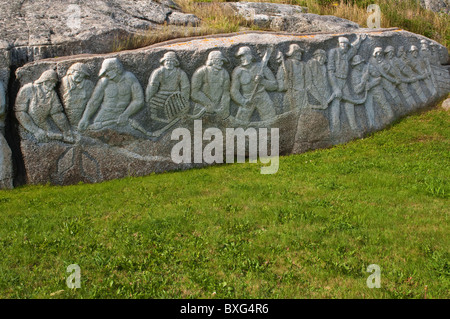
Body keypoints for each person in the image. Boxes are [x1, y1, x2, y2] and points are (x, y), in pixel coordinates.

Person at [78, 58, 144, 131]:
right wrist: (85, 118)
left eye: (107, 71)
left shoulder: (129, 78)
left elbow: (139, 100)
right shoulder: (104, 81)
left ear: (116, 69)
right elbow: (94, 101)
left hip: (123, 113)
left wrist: (126, 114)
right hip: (104, 117)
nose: (105, 74)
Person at [15, 69, 74, 143]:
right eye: (52, 82)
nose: (54, 85)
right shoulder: (28, 89)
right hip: (31, 126)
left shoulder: (52, 94)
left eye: (55, 83)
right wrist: (35, 130)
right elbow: (20, 112)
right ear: (44, 80)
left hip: (46, 127)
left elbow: (57, 114)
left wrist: (67, 131)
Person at [327, 35, 366, 134]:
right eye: (342, 43)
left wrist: (359, 40)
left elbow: (354, 49)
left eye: (345, 44)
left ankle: (353, 127)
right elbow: (330, 71)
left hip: (344, 81)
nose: (343, 45)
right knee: (336, 105)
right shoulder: (333, 52)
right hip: (336, 80)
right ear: (338, 44)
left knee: (349, 103)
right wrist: (335, 88)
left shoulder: (346, 55)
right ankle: (336, 129)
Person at [231, 46, 277, 123]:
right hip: (247, 99)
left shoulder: (261, 67)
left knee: (271, 122)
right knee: (239, 124)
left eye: (243, 55)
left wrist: (262, 81)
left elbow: (274, 85)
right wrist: (243, 101)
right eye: (240, 57)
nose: (241, 59)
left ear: (250, 56)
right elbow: (234, 91)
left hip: (262, 98)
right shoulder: (238, 71)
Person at [146, 51, 190, 123]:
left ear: (175, 63)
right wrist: (148, 98)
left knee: (179, 107)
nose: (169, 63)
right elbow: (153, 86)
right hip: (160, 96)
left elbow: (185, 88)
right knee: (152, 104)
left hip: (175, 96)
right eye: (167, 60)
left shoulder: (181, 73)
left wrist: (184, 101)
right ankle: (156, 120)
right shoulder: (158, 72)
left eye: (171, 61)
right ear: (164, 62)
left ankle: (178, 120)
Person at [191, 50, 230, 119]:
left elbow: (226, 93)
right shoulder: (201, 72)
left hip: (218, 108)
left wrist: (225, 108)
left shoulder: (224, 73)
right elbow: (194, 92)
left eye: (222, 61)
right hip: (201, 108)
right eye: (218, 60)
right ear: (211, 61)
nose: (221, 63)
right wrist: (207, 103)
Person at [61, 63, 94, 127]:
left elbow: (92, 102)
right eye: (78, 73)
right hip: (69, 114)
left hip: (83, 114)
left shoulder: (88, 84)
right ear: (72, 72)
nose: (80, 76)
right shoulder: (65, 81)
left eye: (83, 74)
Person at [276, 44, 307, 110]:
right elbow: (280, 76)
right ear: (292, 53)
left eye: (300, 52)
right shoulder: (287, 63)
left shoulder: (303, 65)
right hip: (290, 92)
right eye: (296, 52)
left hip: (302, 93)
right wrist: (283, 86)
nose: (299, 54)